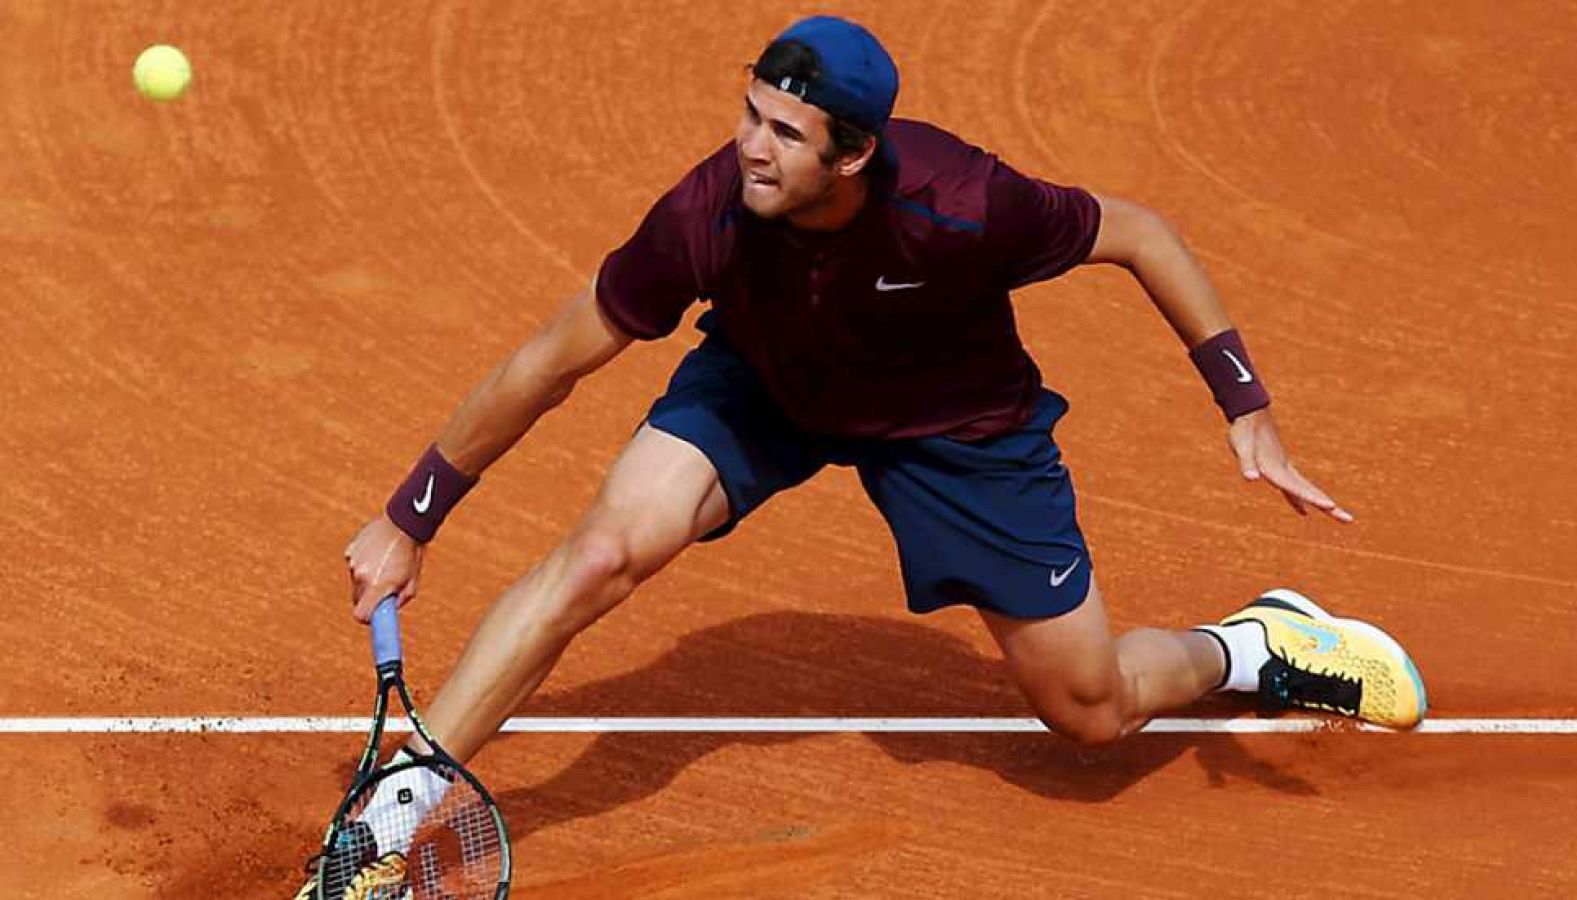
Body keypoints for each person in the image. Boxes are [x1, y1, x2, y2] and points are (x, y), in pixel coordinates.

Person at [308, 14, 1426, 895]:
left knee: (1087, 711)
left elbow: (1137, 233)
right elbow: (549, 361)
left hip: (952, 423)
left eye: (785, 134)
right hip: (768, 385)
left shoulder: (965, 203)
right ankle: (389, 822)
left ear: (851, 154)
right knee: (599, 554)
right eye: (750, 113)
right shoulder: (708, 212)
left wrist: (1245, 404)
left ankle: (1253, 647)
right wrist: (412, 517)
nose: (751, 145)